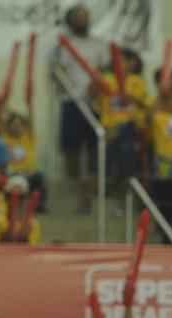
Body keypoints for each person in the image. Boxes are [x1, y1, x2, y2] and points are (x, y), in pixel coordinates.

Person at [50, 4, 108, 212]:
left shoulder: (99, 45)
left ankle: (90, 190)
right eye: (78, 17)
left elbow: (106, 70)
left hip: (94, 103)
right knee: (70, 149)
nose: (83, 20)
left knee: (95, 146)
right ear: (70, 21)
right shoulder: (63, 46)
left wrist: (98, 86)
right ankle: (78, 187)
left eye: (86, 16)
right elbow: (56, 73)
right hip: (71, 101)